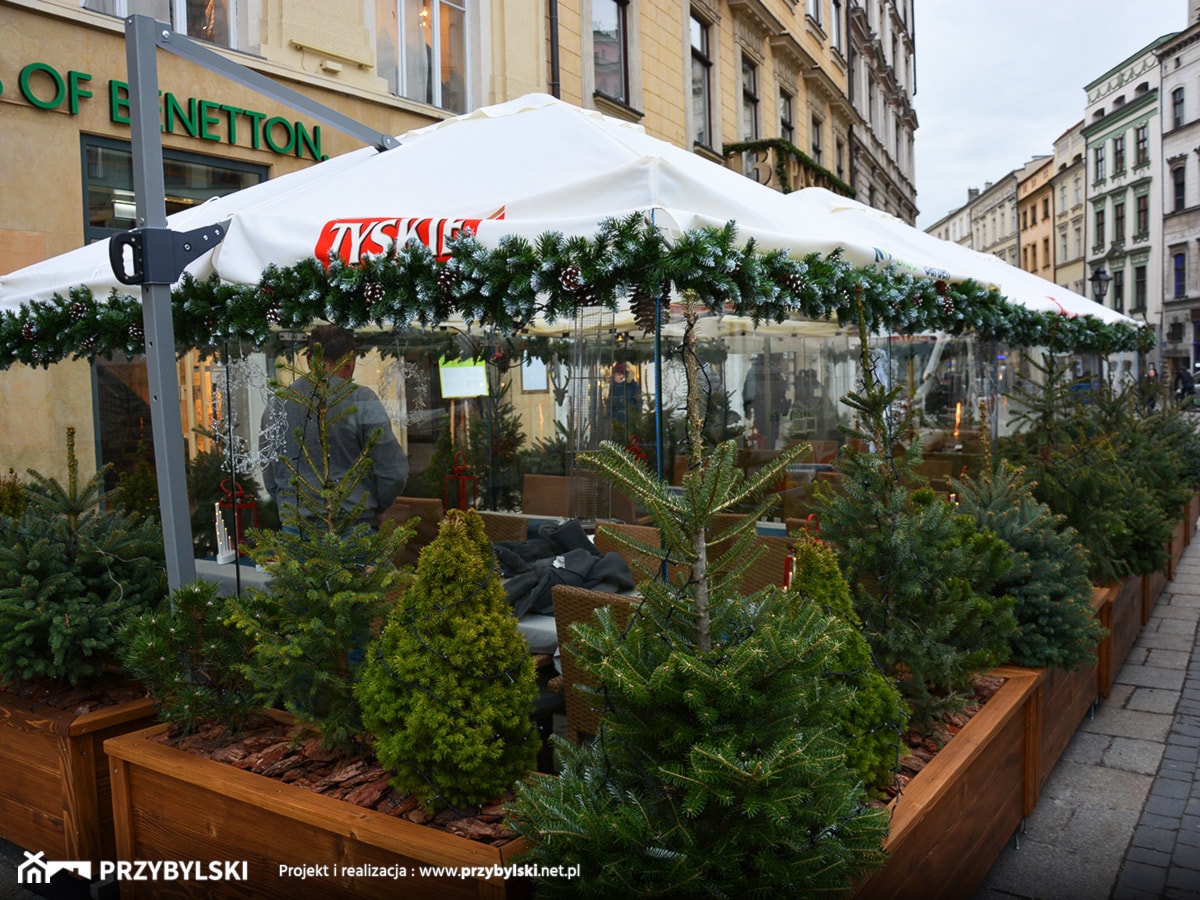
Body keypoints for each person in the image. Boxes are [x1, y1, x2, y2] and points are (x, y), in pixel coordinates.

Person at [261, 325, 408, 530]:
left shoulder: (278, 404)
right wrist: (374, 507)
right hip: (353, 525)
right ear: (350, 360)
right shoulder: (361, 400)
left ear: (309, 359)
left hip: (298, 528)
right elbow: (393, 471)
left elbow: (270, 473)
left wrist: (293, 506)